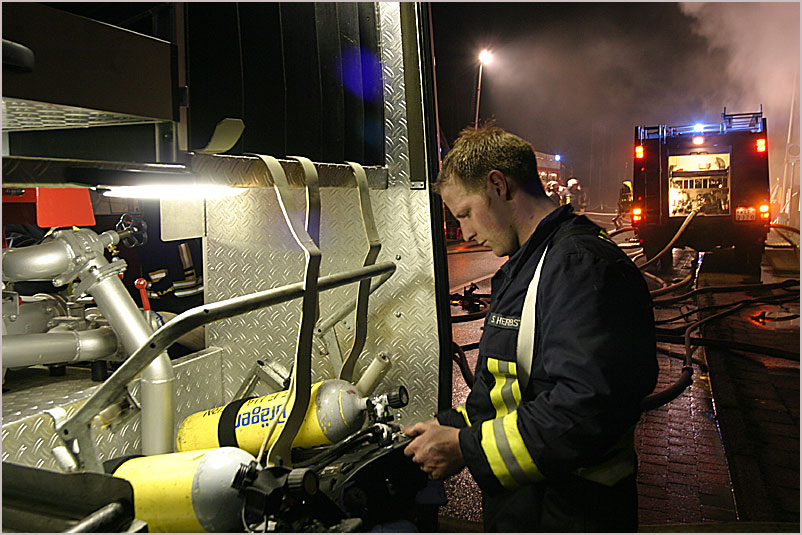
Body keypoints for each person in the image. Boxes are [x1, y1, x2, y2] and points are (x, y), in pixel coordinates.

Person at [403, 125, 658, 532]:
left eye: (466, 212)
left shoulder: (578, 266)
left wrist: (467, 448)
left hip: (573, 512)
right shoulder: (532, 266)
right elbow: (517, 390)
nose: (466, 232)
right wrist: (453, 426)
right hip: (533, 506)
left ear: (498, 185)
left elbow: (586, 407)